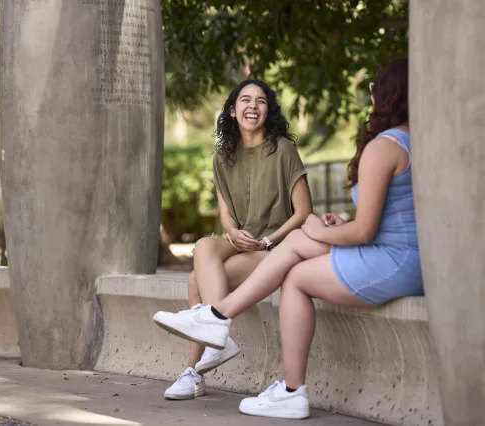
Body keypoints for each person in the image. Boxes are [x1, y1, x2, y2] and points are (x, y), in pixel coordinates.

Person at [153, 58, 423, 418]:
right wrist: (327, 225)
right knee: (202, 260)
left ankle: (221, 325)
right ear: (232, 111)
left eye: (375, 88)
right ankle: (209, 346)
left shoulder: (371, 147)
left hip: (381, 255)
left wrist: (301, 231)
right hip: (400, 252)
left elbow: (354, 228)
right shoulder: (410, 141)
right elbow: (382, 219)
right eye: (245, 100)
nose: (370, 95)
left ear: (390, 94)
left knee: (291, 256)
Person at [161, 79, 312, 400]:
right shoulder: (223, 157)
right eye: (245, 100)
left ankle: (193, 371)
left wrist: (270, 239)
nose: (252, 106)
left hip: (275, 245)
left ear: (267, 110)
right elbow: (226, 215)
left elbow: (303, 212)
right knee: (203, 245)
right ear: (232, 111)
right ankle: (218, 334)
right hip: (241, 238)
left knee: (193, 282)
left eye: (260, 101)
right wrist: (232, 233)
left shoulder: (282, 149)